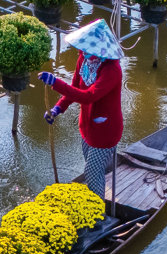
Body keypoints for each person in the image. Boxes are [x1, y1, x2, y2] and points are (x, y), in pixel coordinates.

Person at [38, 18, 124, 201]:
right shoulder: (84, 59)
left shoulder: (112, 70)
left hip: (106, 131)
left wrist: (55, 82)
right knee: (93, 169)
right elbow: (76, 88)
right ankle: (98, 191)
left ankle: (99, 216)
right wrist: (57, 109)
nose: (84, 52)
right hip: (86, 126)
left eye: (88, 49)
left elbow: (88, 96)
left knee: (92, 174)